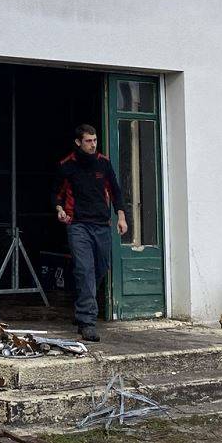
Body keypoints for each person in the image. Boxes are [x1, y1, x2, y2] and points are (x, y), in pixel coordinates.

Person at [54, 124, 128, 341]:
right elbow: (56, 193)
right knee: (85, 269)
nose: (93, 144)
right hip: (78, 225)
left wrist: (121, 217)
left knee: (101, 267)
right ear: (78, 142)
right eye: (88, 141)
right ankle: (87, 322)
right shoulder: (67, 166)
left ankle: (81, 306)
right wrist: (59, 209)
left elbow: (116, 191)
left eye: (95, 140)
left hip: (102, 225)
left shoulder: (103, 163)